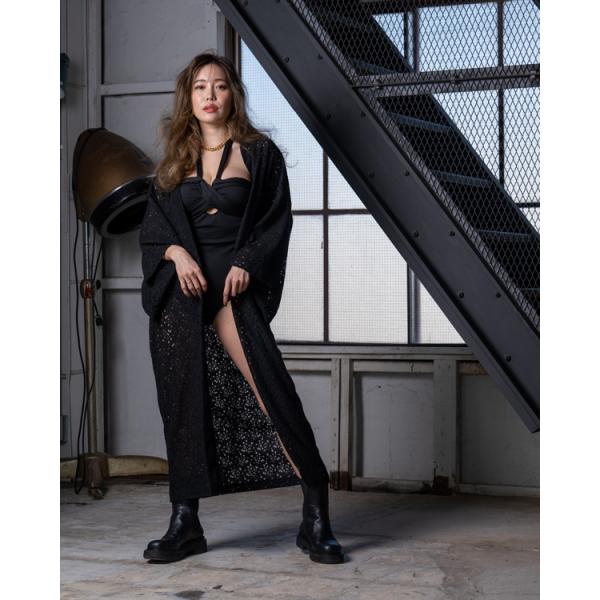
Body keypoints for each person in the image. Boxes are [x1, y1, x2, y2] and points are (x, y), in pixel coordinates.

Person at [139, 51, 344, 565]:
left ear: (233, 94)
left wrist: (248, 261)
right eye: (200, 87)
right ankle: (185, 522)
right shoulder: (173, 164)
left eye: (220, 85)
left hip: (234, 292)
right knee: (181, 406)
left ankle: (316, 516)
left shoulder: (258, 153)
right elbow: (153, 233)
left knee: (274, 393)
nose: (210, 95)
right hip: (182, 298)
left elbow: (276, 219)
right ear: (188, 98)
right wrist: (175, 252)